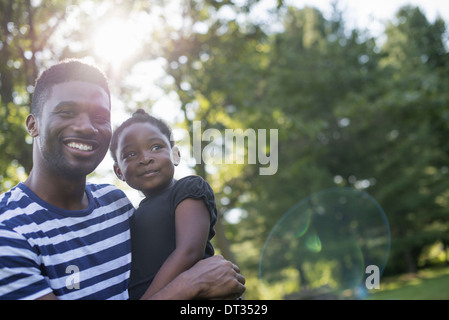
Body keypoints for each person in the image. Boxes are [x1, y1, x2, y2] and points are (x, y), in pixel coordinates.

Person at [0, 59, 245, 300]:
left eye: (100, 117)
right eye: (67, 112)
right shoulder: (8, 231)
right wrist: (190, 285)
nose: (86, 127)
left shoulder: (115, 204)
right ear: (33, 125)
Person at [110, 109, 217, 300]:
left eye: (156, 147)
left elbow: (189, 252)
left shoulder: (188, 189)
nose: (145, 159)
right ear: (119, 171)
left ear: (175, 155)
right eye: (131, 154)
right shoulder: (131, 216)